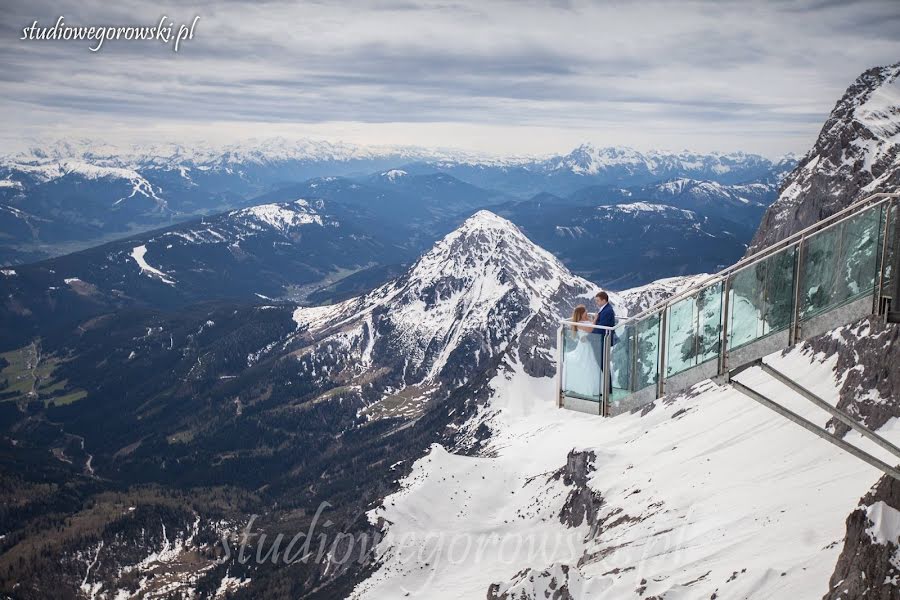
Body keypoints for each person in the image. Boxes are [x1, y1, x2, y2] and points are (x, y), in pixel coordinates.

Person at [562, 305, 601, 399]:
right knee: (588, 365)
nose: (586, 313)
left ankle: (596, 386)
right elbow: (591, 329)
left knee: (592, 364)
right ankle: (591, 387)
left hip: (588, 345)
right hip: (585, 347)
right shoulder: (579, 323)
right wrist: (595, 319)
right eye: (585, 312)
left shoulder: (585, 321)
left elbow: (590, 327)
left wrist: (591, 320)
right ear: (581, 314)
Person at [593, 291, 616, 412]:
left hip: (602, 341)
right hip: (602, 340)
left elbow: (601, 328)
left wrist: (589, 334)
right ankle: (607, 389)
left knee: (603, 365)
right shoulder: (605, 309)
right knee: (603, 365)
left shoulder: (607, 311)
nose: (596, 303)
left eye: (597, 300)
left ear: (603, 300)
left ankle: (608, 390)